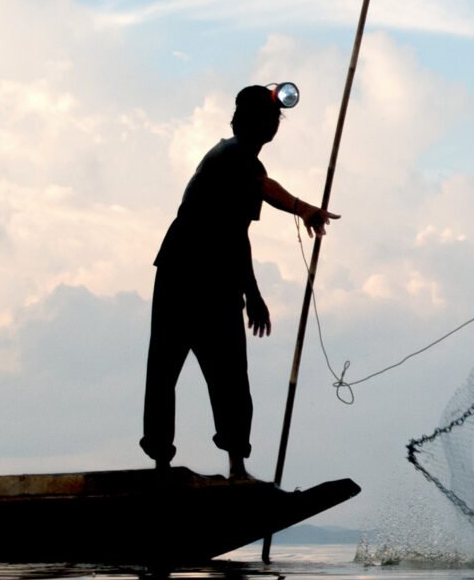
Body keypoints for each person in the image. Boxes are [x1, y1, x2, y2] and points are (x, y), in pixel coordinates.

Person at [143, 85, 336, 483]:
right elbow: (266, 189)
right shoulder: (230, 155)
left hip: (218, 279)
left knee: (231, 375)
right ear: (240, 123)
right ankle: (161, 465)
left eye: (272, 120)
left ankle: (237, 467)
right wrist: (303, 209)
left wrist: (253, 294)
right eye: (261, 119)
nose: (269, 125)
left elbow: (237, 234)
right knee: (164, 371)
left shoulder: (243, 166)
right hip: (182, 276)